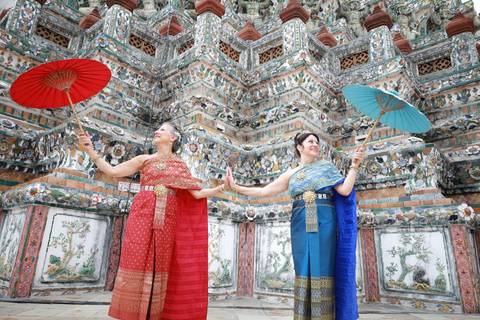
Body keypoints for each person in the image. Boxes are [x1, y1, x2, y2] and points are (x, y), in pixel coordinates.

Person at [77, 122, 224, 320]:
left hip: (168, 216)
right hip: (143, 212)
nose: (157, 131)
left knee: (161, 262)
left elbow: (196, 195)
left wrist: (220, 188)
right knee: (136, 256)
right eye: (158, 129)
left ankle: (155, 313)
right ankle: (133, 313)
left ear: (173, 138)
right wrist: (90, 151)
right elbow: (112, 172)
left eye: (162, 129)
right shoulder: (143, 159)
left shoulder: (180, 164)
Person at [225, 132, 365, 320]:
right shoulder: (291, 173)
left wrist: (355, 165)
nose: (315, 145)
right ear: (299, 147)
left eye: (316, 142)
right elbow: (265, 191)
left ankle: (323, 315)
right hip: (299, 222)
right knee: (303, 266)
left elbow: (345, 190)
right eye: (310, 142)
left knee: (322, 265)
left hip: (324, 222)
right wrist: (236, 187)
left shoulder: (326, 167)